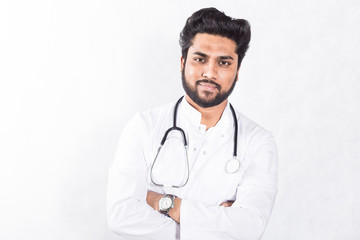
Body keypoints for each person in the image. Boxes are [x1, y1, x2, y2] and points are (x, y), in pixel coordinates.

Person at [107, 7, 278, 240]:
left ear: (237, 71)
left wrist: (164, 203)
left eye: (224, 63)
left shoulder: (258, 141)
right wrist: (218, 223)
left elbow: (249, 228)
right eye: (200, 59)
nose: (210, 72)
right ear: (183, 62)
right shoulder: (144, 127)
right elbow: (120, 215)